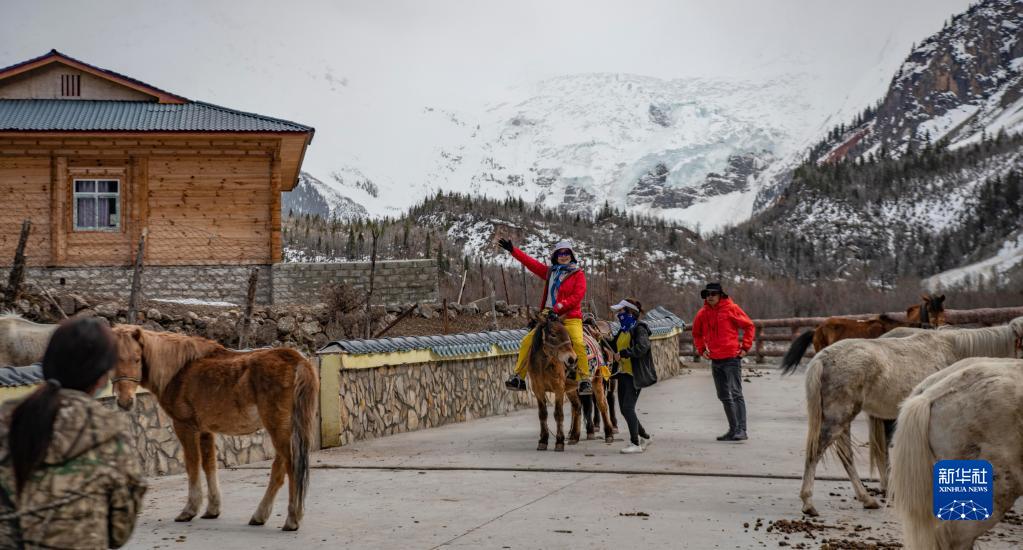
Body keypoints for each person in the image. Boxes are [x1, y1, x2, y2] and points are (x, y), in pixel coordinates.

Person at [0, 318, 147, 549]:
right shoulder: (108, 431)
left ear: (46, 364)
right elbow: (119, 531)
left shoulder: (6, 419)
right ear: (101, 378)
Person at [498, 238, 592, 396]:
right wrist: (513, 250)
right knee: (527, 341)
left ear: (572, 255)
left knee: (577, 342)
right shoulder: (551, 272)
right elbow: (531, 264)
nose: (563, 255)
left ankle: (584, 379)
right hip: (549, 316)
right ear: (555, 255)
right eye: (560, 253)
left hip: (569, 316)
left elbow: (577, 296)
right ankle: (518, 377)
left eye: (566, 252)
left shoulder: (578, 274)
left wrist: (559, 307)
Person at [691, 282, 755, 442]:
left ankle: (742, 430)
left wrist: (746, 347)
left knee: (735, 393)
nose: (710, 296)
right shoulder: (702, 313)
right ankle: (733, 430)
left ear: (721, 295)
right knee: (723, 396)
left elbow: (749, 326)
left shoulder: (731, 308)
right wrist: (701, 349)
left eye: (713, 293)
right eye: (707, 294)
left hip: (732, 358)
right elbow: (696, 333)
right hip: (715, 360)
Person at [609, 299, 654, 454]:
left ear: (629, 312)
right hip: (623, 374)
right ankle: (645, 437)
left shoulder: (639, 328)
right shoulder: (623, 329)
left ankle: (635, 443)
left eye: (620, 311)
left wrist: (623, 353)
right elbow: (613, 345)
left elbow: (643, 347)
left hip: (634, 375)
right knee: (624, 409)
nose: (617, 314)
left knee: (628, 408)